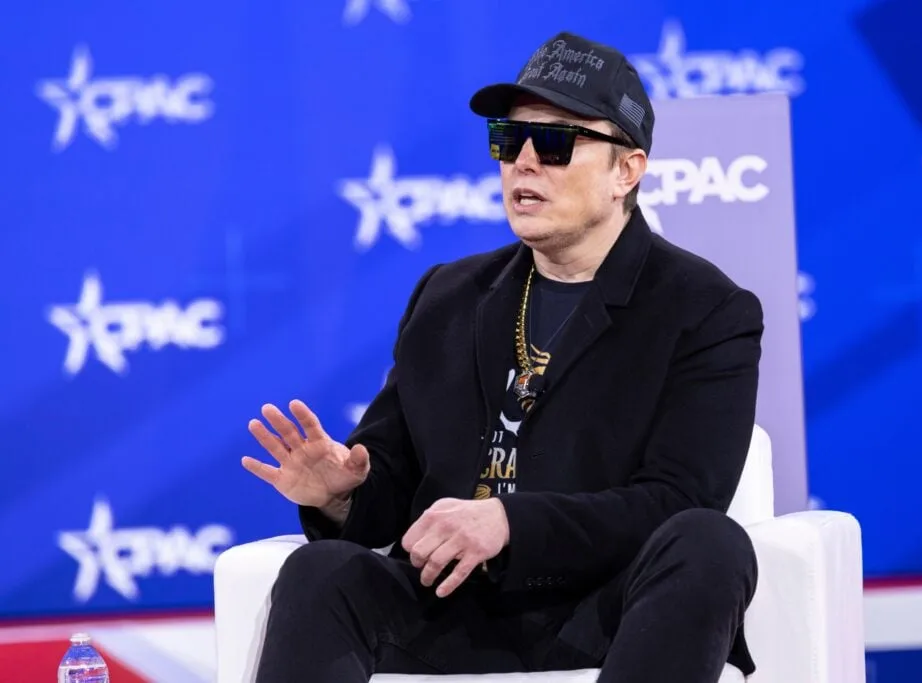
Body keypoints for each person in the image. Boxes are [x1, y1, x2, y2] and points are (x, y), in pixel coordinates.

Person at [242, 30, 764, 683]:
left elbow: (677, 500)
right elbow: (393, 482)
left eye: (554, 142)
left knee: (711, 544)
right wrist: (340, 497)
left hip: (606, 610)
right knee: (319, 572)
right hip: (452, 607)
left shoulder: (705, 309)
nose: (524, 162)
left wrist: (510, 523)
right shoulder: (448, 295)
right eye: (508, 140)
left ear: (626, 171)